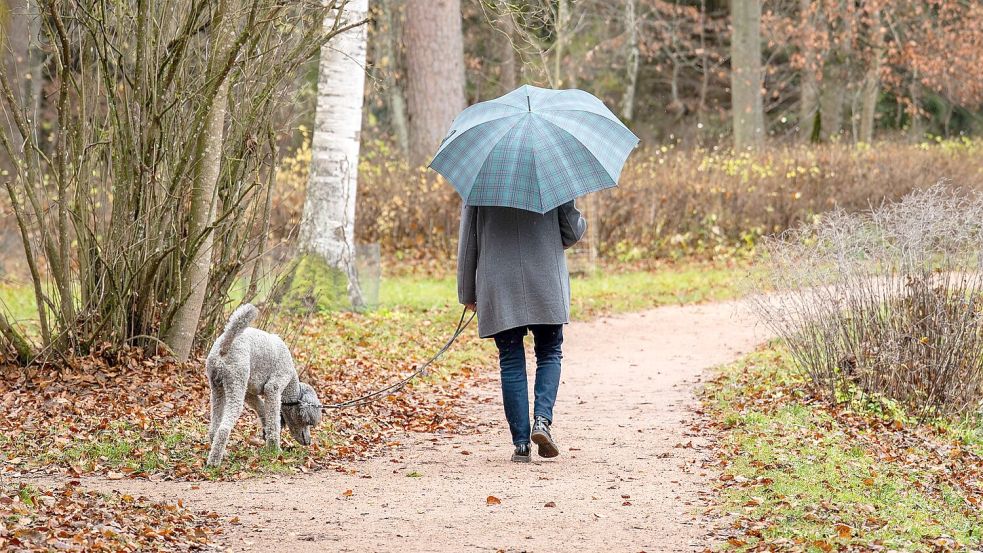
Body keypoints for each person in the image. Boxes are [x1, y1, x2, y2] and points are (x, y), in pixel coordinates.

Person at [457, 200, 587, 462]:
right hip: (545, 278)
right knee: (549, 352)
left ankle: (521, 445)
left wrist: (467, 291)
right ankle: (542, 421)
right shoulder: (550, 174)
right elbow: (572, 232)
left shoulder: (482, 180)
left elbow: (468, 242)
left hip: (499, 281)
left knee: (510, 359)